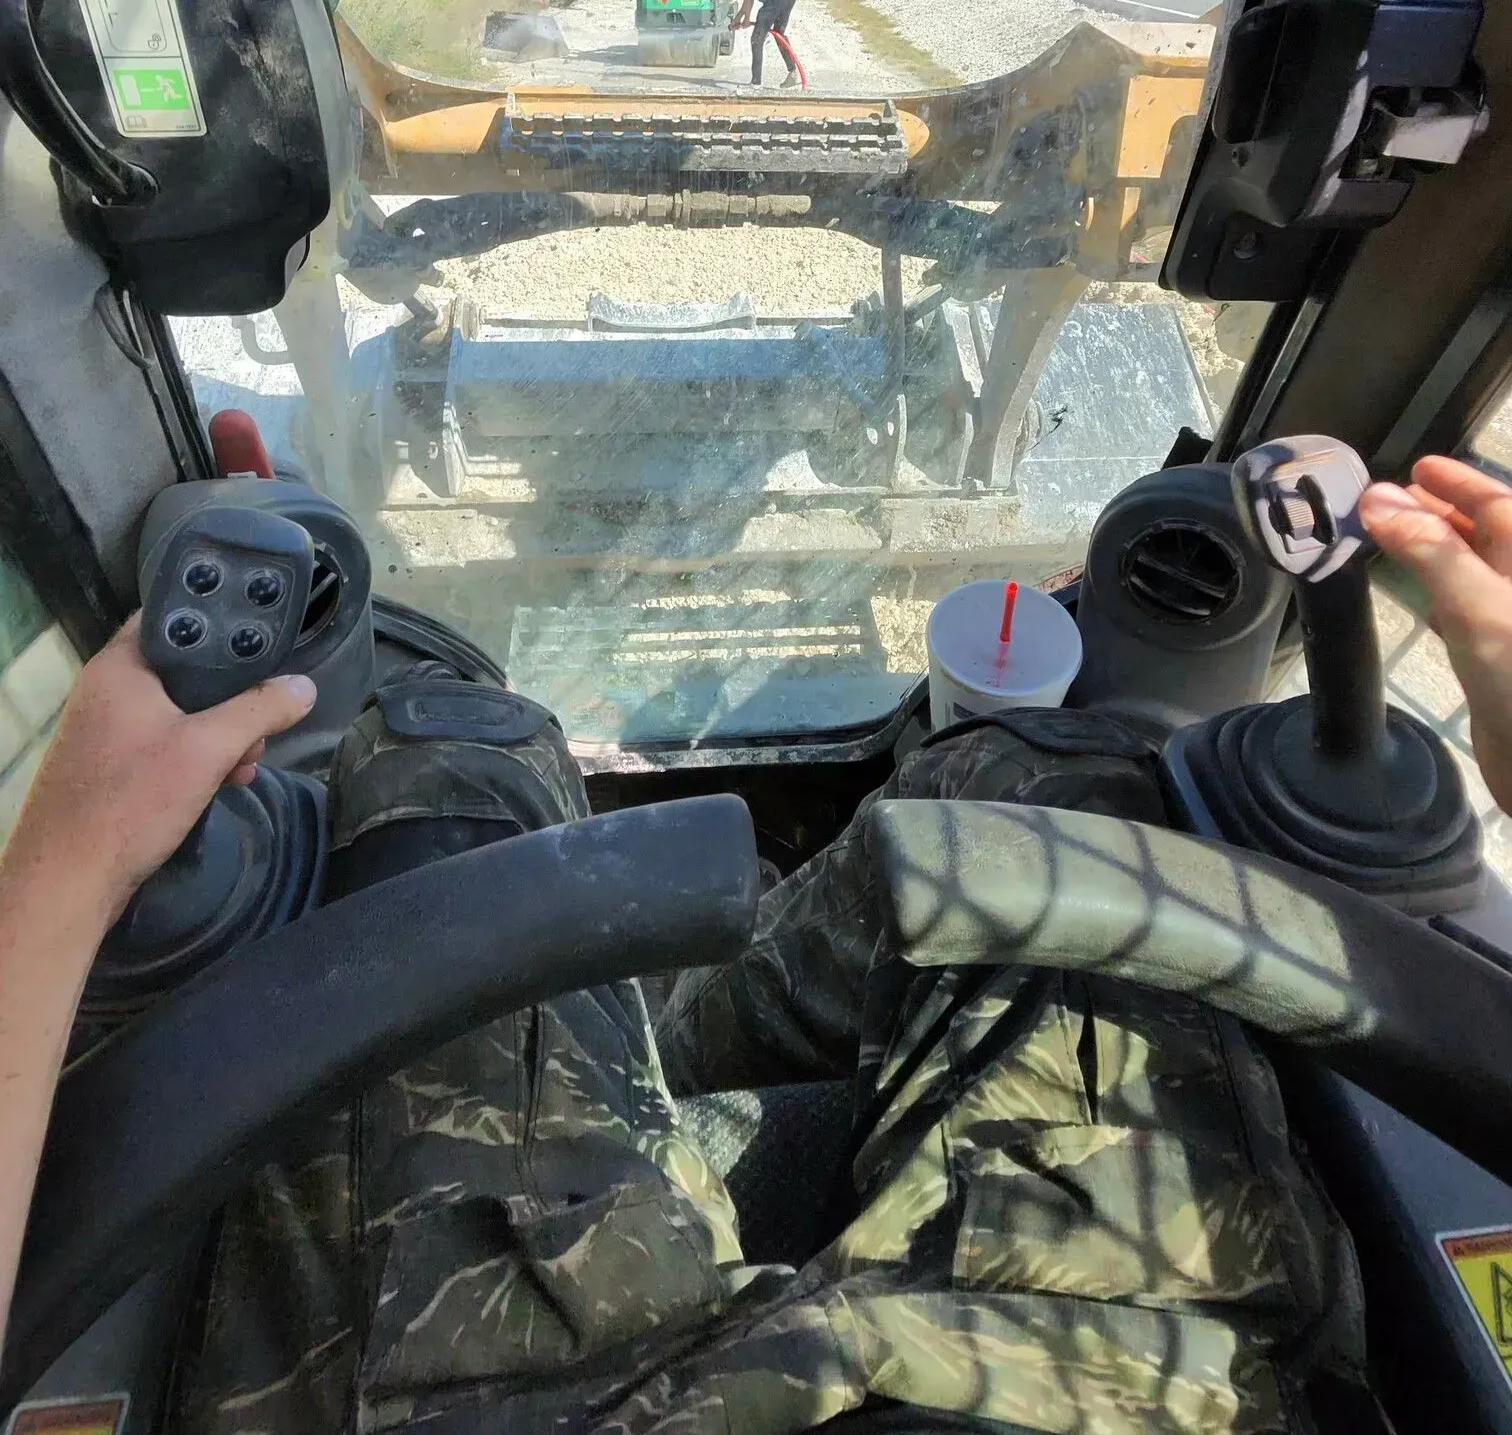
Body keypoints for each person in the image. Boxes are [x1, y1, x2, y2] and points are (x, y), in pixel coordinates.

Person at [5, 451, 1512, 1432]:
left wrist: (70, 867)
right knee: (1055, 792)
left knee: (452, 776)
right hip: (1168, 1393)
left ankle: (431, 724)